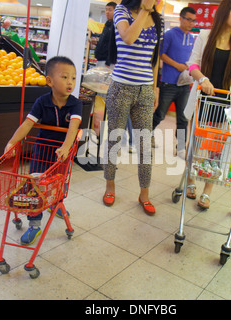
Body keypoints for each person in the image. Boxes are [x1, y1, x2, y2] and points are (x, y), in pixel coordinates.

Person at [186, 0, 231, 210]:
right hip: (202, 98)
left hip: (226, 102)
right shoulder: (205, 36)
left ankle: (208, 191)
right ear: (225, 11)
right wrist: (203, 79)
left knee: (216, 150)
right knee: (196, 145)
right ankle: (191, 180)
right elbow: (192, 64)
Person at [3, 56, 82, 245]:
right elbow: (28, 124)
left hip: (62, 155)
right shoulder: (41, 102)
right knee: (35, 188)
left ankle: (56, 204)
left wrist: (65, 146)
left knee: (58, 185)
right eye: (64, 77)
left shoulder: (76, 103)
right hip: (42, 151)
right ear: (49, 81)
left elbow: (74, 127)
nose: (70, 82)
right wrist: (11, 142)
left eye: (73, 77)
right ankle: (34, 225)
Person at [102, 0, 164, 216]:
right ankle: (110, 186)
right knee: (114, 139)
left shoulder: (158, 18)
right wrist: (145, 11)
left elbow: (154, 58)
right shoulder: (122, 10)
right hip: (121, 87)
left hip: (145, 88)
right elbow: (128, 38)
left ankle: (144, 194)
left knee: (145, 145)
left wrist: (155, 88)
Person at [152, 6, 196, 158]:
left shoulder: (192, 38)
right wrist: (176, 65)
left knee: (183, 117)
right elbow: (160, 54)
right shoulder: (170, 35)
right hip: (168, 82)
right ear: (181, 18)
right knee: (160, 114)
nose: (191, 23)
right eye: (188, 19)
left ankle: (181, 147)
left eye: (193, 20)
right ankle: (145, 135)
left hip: (185, 84)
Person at [95, 1, 135, 153]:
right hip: (105, 66)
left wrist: (108, 62)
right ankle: (112, 140)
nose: (107, 12)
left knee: (119, 106)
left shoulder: (120, 25)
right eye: (106, 10)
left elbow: (116, 47)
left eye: (110, 10)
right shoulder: (108, 25)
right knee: (110, 105)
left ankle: (126, 141)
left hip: (112, 67)